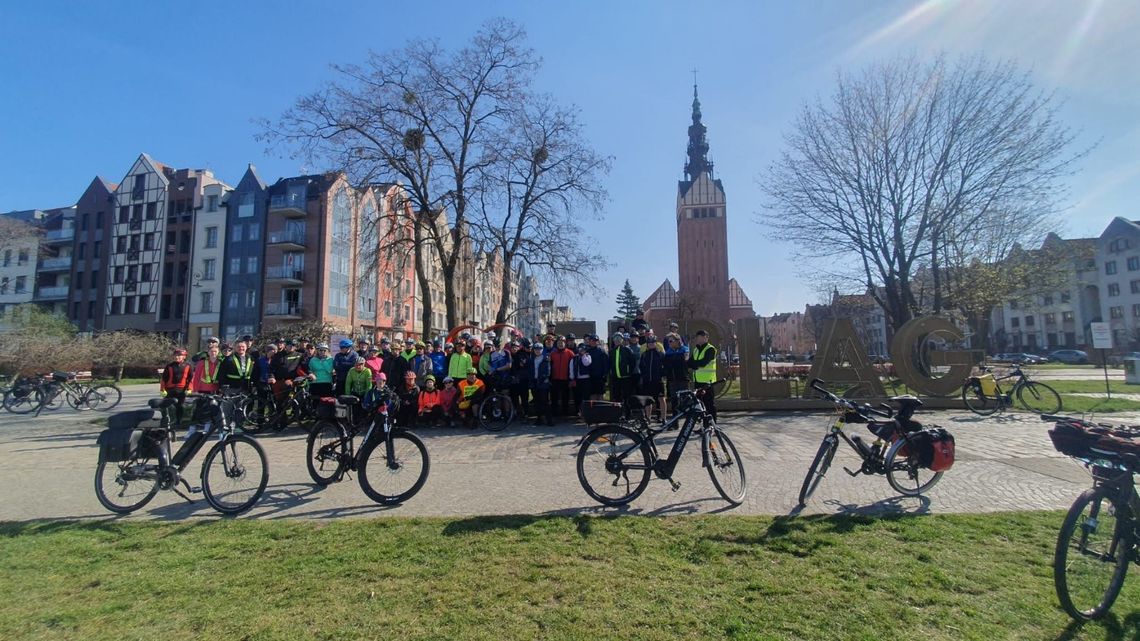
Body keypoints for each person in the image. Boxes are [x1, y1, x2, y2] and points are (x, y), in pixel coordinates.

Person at [687, 329, 718, 421]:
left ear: (706, 338)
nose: (699, 339)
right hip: (698, 381)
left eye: (702, 337)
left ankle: (713, 426)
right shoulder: (696, 349)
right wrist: (694, 364)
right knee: (700, 405)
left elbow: (703, 363)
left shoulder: (711, 349)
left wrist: (694, 365)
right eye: (698, 337)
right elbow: (690, 362)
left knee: (709, 404)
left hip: (708, 382)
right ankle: (704, 426)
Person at [160, 347, 193, 426]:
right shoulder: (169, 366)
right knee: (164, 406)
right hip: (170, 389)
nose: (176, 357)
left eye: (179, 355)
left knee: (180, 406)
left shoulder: (188, 366)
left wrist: (189, 389)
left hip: (181, 390)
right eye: (175, 355)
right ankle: (164, 421)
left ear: (184, 356)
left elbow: (191, 378)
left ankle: (179, 421)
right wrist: (162, 389)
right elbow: (164, 378)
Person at [639, 334, 667, 423]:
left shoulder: (661, 354)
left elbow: (665, 367)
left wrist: (661, 374)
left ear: (656, 343)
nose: (651, 344)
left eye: (652, 342)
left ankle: (663, 418)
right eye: (649, 343)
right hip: (647, 380)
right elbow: (641, 367)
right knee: (648, 400)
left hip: (658, 380)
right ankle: (648, 418)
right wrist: (644, 376)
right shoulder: (644, 355)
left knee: (661, 399)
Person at [663, 332, 690, 417]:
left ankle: (687, 417)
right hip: (672, 379)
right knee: (674, 399)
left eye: (671, 341)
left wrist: (674, 361)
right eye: (668, 341)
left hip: (683, 378)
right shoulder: (668, 352)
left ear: (678, 341)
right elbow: (667, 365)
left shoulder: (685, 349)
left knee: (685, 398)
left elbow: (684, 361)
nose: (669, 343)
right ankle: (675, 420)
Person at [548, 336, 573, 418]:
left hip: (565, 379)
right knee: (554, 398)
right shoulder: (552, 354)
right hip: (554, 379)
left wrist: (571, 379)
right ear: (556, 344)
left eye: (562, 342)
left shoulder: (570, 353)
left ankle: (565, 414)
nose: (561, 344)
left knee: (565, 398)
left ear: (565, 343)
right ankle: (554, 414)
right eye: (559, 343)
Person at [531, 342, 554, 426]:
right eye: (536, 349)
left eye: (539, 349)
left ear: (542, 350)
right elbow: (531, 371)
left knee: (545, 402)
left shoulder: (546, 359)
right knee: (537, 402)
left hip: (543, 383)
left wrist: (543, 379)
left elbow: (548, 371)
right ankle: (539, 419)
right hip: (534, 382)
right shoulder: (532, 359)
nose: (537, 351)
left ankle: (549, 420)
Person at [609, 333, 635, 404]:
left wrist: (629, 372)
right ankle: (618, 413)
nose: (617, 340)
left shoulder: (627, 350)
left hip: (626, 377)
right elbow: (610, 364)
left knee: (626, 396)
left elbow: (633, 363)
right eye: (615, 339)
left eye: (619, 338)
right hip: (616, 378)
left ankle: (627, 413)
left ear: (622, 340)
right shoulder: (611, 351)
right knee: (617, 396)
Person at [510, 340, 533, 418]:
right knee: (515, 398)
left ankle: (526, 413)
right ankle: (518, 412)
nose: (530, 348)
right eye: (528, 347)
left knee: (524, 399)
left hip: (524, 380)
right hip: (517, 380)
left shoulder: (526, 354)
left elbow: (526, 366)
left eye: (530, 347)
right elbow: (514, 368)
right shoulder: (515, 355)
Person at [569, 342, 592, 417]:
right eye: (580, 349)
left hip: (586, 379)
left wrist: (583, 355)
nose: (582, 350)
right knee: (577, 396)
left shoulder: (588, 356)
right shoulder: (574, 357)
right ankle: (577, 411)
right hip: (577, 379)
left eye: (583, 349)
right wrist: (572, 378)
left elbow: (586, 363)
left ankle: (587, 412)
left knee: (586, 396)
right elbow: (571, 368)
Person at [586, 334, 609, 401]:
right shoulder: (587, 351)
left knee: (600, 395)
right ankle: (593, 411)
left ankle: (601, 410)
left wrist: (605, 375)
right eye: (592, 340)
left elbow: (606, 364)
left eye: (595, 340)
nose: (594, 342)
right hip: (590, 377)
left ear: (598, 342)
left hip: (600, 377)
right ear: (589, 341)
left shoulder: (602, 351)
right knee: (592, 395)